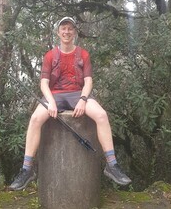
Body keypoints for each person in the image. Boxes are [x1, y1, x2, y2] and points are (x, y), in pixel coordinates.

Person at [9, 17, 132, 191]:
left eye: (70, 28)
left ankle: (112, 165)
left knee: (102, 115)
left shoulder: (83, 54)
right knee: (35, 119)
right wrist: (51, 102)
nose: (66, 32)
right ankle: (27, 169)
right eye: (63, 28)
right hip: (55, 96)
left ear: (74, 32)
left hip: (77, 94)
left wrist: (82, 99)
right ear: (58, 32)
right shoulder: (50, 55)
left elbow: (88, 82)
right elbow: (44, 83)